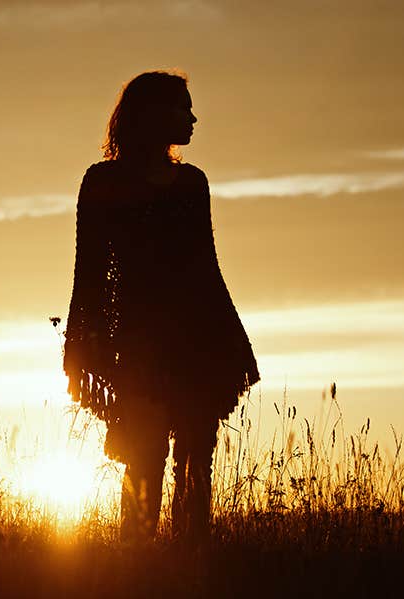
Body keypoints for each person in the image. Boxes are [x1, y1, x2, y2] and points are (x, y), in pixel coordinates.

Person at [62, 69, 260, 542]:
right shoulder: (102, 183)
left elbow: (206, 268)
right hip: (135, 345)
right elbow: (88, 272)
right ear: (152, 115)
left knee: (197, 458)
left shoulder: (192, 183)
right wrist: (84, 343)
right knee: (144, 453)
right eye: (182, 107)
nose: (193, 118)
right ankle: (138, 565)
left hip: (195, 340)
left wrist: (231, 343)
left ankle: (191, 560)